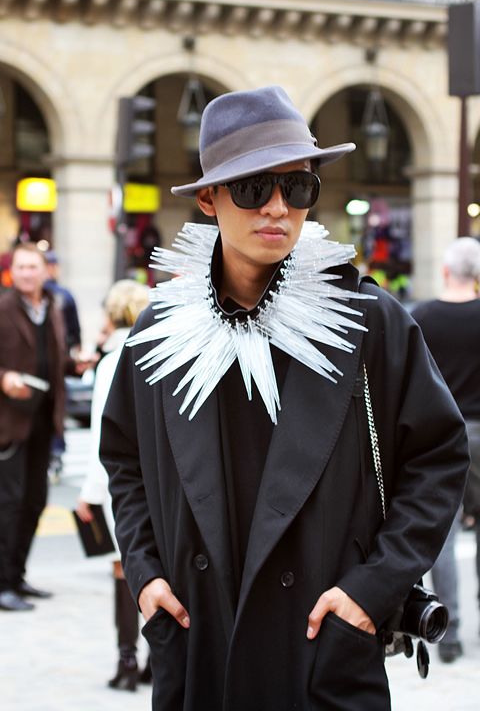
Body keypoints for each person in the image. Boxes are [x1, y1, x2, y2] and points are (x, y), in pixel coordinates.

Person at [100, 86, 468, 710]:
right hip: (199, 642)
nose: (276, 208)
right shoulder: (159, 330)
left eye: (297, 188)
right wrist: (146, 577)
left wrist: (371, 589)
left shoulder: (367, 321)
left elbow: (436, 456)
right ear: (211, 199)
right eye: (252, 187)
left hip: (321, 646)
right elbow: (124, 458)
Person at [0, 243, 85, 611]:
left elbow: (52, 358)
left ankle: (17, 577)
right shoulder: (2, 308)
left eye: (33, 266)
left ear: (45, 270)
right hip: (9, 421)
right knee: (9, 503)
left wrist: (73, 364)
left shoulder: (53, 306)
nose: (27, 273)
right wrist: (3, 379)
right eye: (20, 267)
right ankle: (3, 584)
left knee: (35, 502)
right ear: (12, 271)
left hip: (43, 420)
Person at [75, 280, 150, 691]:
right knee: (161, 566)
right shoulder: (160, 344)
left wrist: (89, 492)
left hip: (119, 486)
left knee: (124, 568)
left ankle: (126, 659)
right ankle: (156, 658)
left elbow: (105, 433)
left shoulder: (112, 359)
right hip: (156, 482)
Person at [412, 236, 480, 663]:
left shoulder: (422, 318)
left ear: (445, 271)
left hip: (445, 436)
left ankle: (449, 633)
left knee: (446, 537)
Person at [44, 249, 83, 480]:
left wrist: (75, 353)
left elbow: (74, 330)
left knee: (58, 406)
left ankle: (56, 453)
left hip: (59, 359)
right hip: (44, 360)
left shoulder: (63, 296)